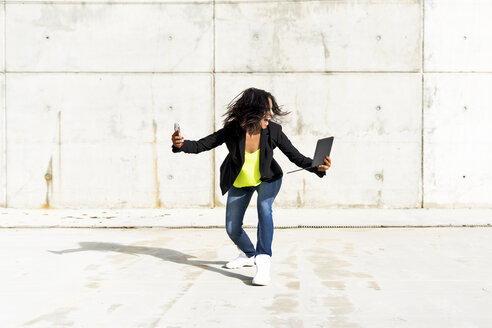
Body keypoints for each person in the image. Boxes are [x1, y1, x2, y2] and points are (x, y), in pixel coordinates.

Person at [171, 87, 331, 286]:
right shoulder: (232, 129)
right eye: (267, 110)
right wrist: (180, 145)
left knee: (264, 209)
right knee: (232, 228)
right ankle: (248, 253)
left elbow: (295, 157)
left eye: (272, 109)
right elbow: (201, 145)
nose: (271, 114)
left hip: (268, 179)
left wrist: (318, 168)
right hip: (240, 182)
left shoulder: (273, 131)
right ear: (252, 111)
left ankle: (263, 261)